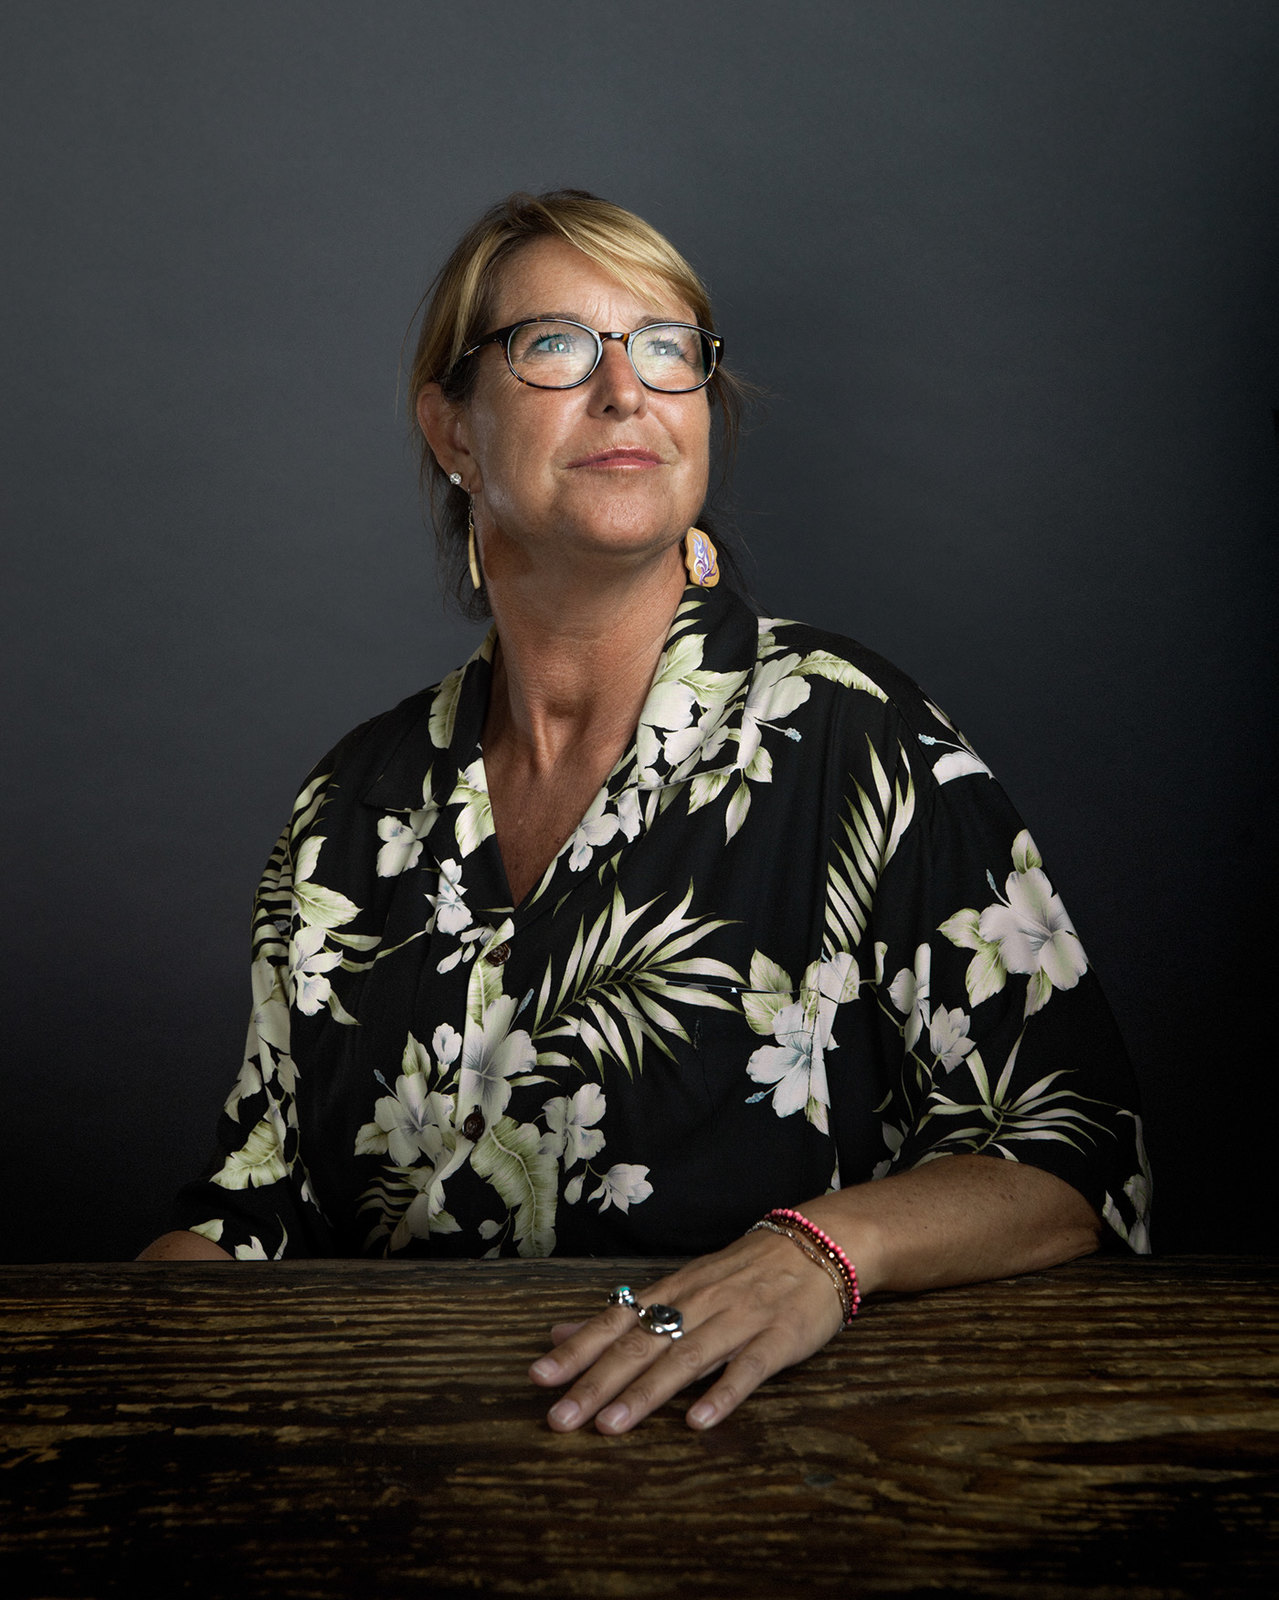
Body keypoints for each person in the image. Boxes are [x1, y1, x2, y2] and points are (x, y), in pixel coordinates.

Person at [141, 190, 1151, 1437]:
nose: (626, 390)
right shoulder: (355, 805)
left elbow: (1072, 1162)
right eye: (557, 344)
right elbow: (257, 1211)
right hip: (411, 1487)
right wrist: (97, 1362)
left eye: (668, 347)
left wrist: (818, 1251)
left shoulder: (853, 735)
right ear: (452, 428)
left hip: (787, 1491)